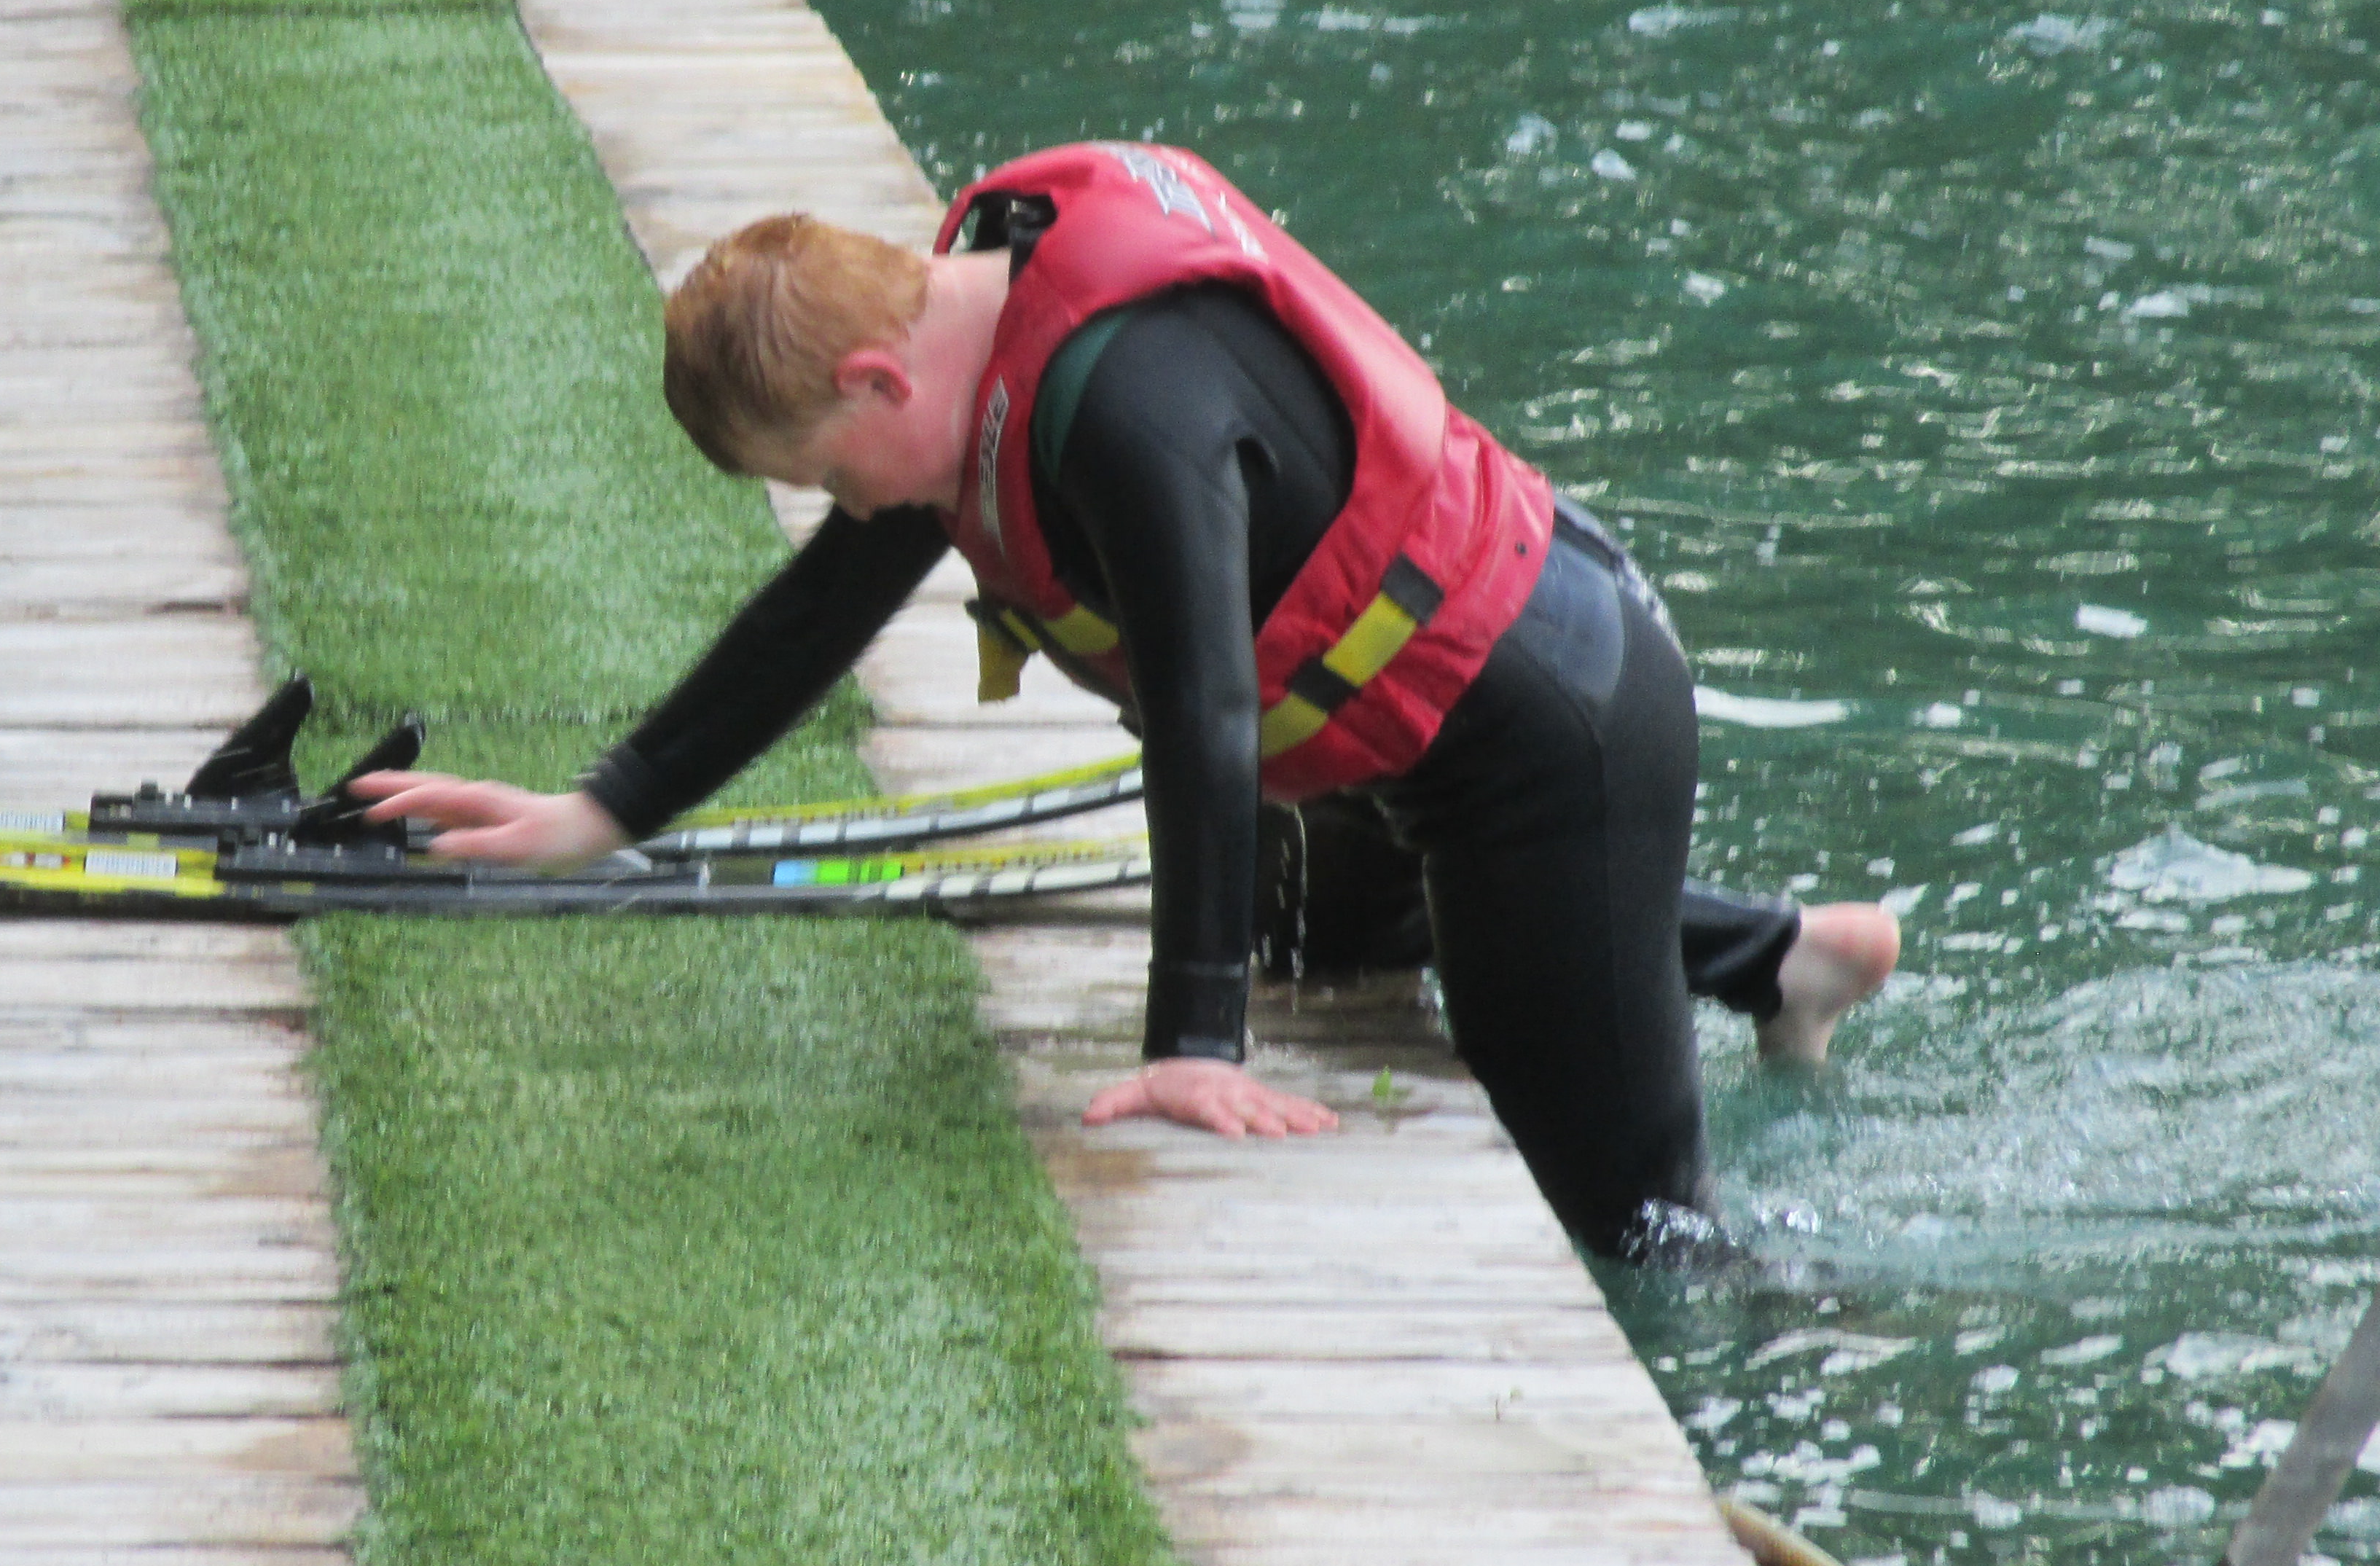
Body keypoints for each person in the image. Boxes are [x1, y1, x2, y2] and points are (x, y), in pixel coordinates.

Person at [353, 140, 1897, 1261]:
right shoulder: (958, 332)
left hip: (1550, 733)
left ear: (878, 383)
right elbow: (818, 613)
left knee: (1636, 1232)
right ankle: (1781, 956)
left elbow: (1206, 709)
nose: (844, 506)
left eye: (824, 474)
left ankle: (1814, 1330)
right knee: (1328, 952)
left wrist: (1194, 1042)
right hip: (1399, 749)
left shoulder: (1126, 404)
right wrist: (597, 812)